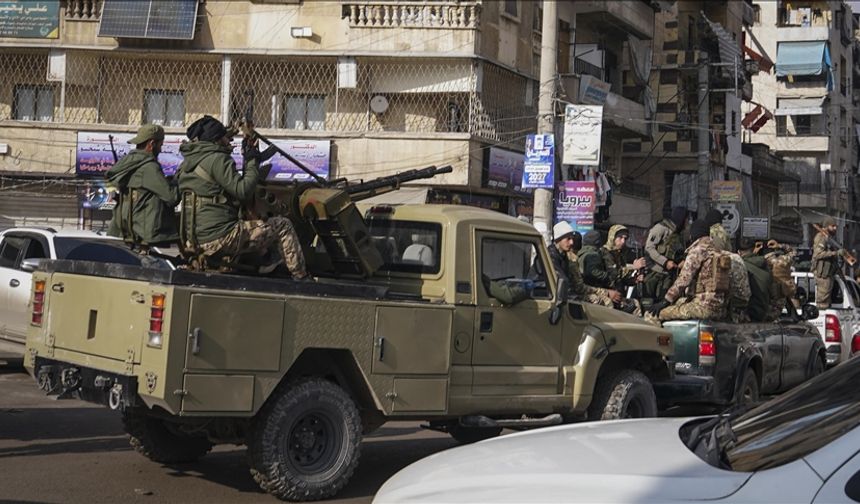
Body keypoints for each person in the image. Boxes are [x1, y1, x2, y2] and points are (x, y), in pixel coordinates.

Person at [176, 115, 308, 278]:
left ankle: (262, 262)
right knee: (283, 225)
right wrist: (252, 159)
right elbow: (243, 191)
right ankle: (301, 277)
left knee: (248, 220)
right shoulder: (218, 159)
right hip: (220, 238)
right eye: (225, 137)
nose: (229, 141)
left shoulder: (186, 165)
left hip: (193, 240)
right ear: (217, 140)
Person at [105, 124, 179, 247]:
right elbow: (171, 197)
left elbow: (108, 178)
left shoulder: (126, 162)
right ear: (152, 144)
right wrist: (176, 182)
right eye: (160, 145)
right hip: (143, 229)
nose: (161, 150)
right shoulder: (149, 167)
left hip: (122, 225)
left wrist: (114, 193)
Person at [648, 220, 730, 322]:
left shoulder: (698, 250)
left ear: (693, 234)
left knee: (652, 315)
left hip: (701, 306)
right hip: (720, 308)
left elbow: (684, 279)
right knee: (679, 302)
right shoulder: (718, 252)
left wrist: (666, 301)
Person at [546, 222, 616, 308]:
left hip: (564, 295)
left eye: (572, 239)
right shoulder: (551, 256)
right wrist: (606, 292)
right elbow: (573, 286)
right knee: (605, 302)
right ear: (558, 239)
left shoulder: (563, 255)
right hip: (558, 297)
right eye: (568, 239)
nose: (571, 242)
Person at [643, 206, 687, 302]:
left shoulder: (679, 234)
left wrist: (682, 261)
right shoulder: (661, 228)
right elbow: (649, 248)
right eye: (686, 219)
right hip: (655, 273)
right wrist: (665, 262)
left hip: (669, 275)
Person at [738, 238, 773, 323]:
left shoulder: (740, 266)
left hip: (746, 315)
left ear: (739, 252)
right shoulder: (766, 267)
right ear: (753, 249)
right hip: (763, 313)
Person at [812, 217, 842, 309]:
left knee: (827, 301)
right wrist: (835, 253)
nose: (835, 228)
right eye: (833, 226)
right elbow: (817, 254)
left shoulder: (829, 238)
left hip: (829, 274)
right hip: (822, 275)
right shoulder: (821, 237)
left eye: (836, 226)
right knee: (822, 303)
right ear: (826, 226)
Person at [762, 239, 797, 319]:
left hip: (770, 295)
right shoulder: (784, 260)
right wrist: (780, 245)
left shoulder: (763, 261)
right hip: (784, 292)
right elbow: (793, 251)